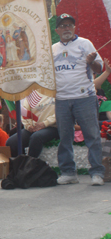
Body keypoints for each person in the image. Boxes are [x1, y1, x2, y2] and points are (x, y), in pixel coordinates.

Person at [52, 13, 105, 186]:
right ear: (57, 30)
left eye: (70, 25)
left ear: (74, 27)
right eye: (63, 25)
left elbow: (99, 67)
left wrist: (91, 62)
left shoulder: (85, 43)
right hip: (61, 98)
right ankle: (68, 173)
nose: (67, 28)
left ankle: (97, 172)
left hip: (85, 97)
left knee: (92, 135)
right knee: (65, 136)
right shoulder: (52, 49)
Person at [5, 91, 59, 158]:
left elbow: (60, 113)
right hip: (33, 128)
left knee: (36, 137)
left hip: (52, 127)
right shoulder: (33, 94)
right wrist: (29, 126)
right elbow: (24, 112)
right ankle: (19, 165)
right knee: (11, 142)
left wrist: (45, 123)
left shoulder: (57, 93)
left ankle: (29, 165)